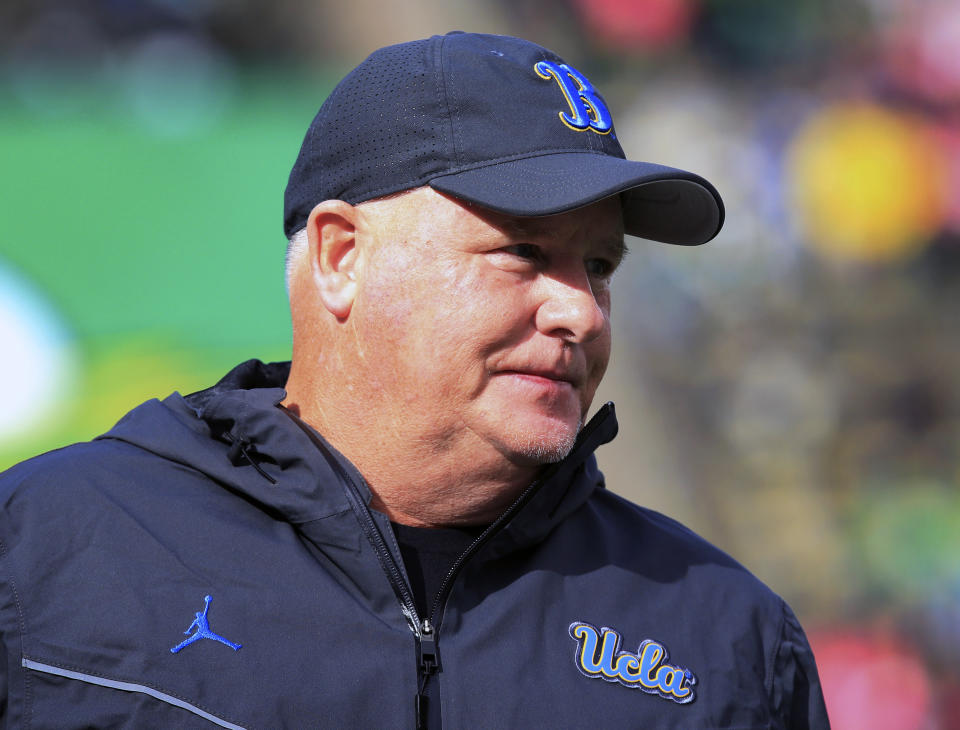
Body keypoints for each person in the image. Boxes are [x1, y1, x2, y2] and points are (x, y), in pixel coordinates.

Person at [0, 31, 829, 729]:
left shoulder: (728, 635)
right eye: (525, 253)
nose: (581, 313)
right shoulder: (49, 546)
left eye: (600, 265)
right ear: (341, 257)